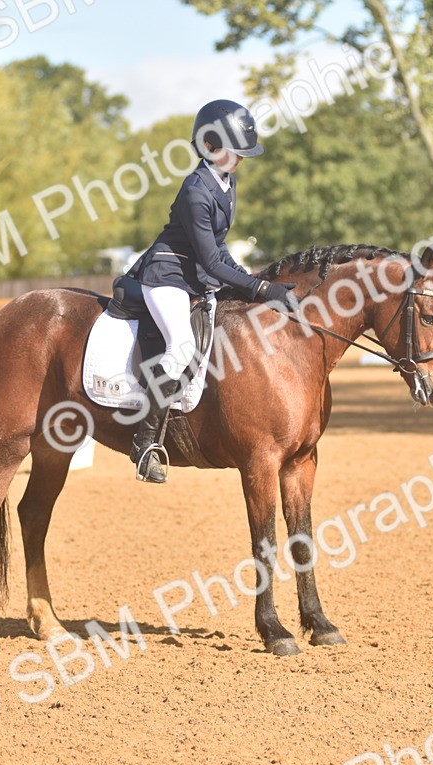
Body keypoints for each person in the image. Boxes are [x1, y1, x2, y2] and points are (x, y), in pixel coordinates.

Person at [125, 99, 298, 483]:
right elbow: (210, 261)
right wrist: (261, 288)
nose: (240, 160)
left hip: (198, 276)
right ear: (210, 147)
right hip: (167, 276)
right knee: (182, 348)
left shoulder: (225, 182)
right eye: (235, 152)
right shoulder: (196, 190)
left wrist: (253, 281)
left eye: (242, 154)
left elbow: (220, 250)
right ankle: (145, 442)